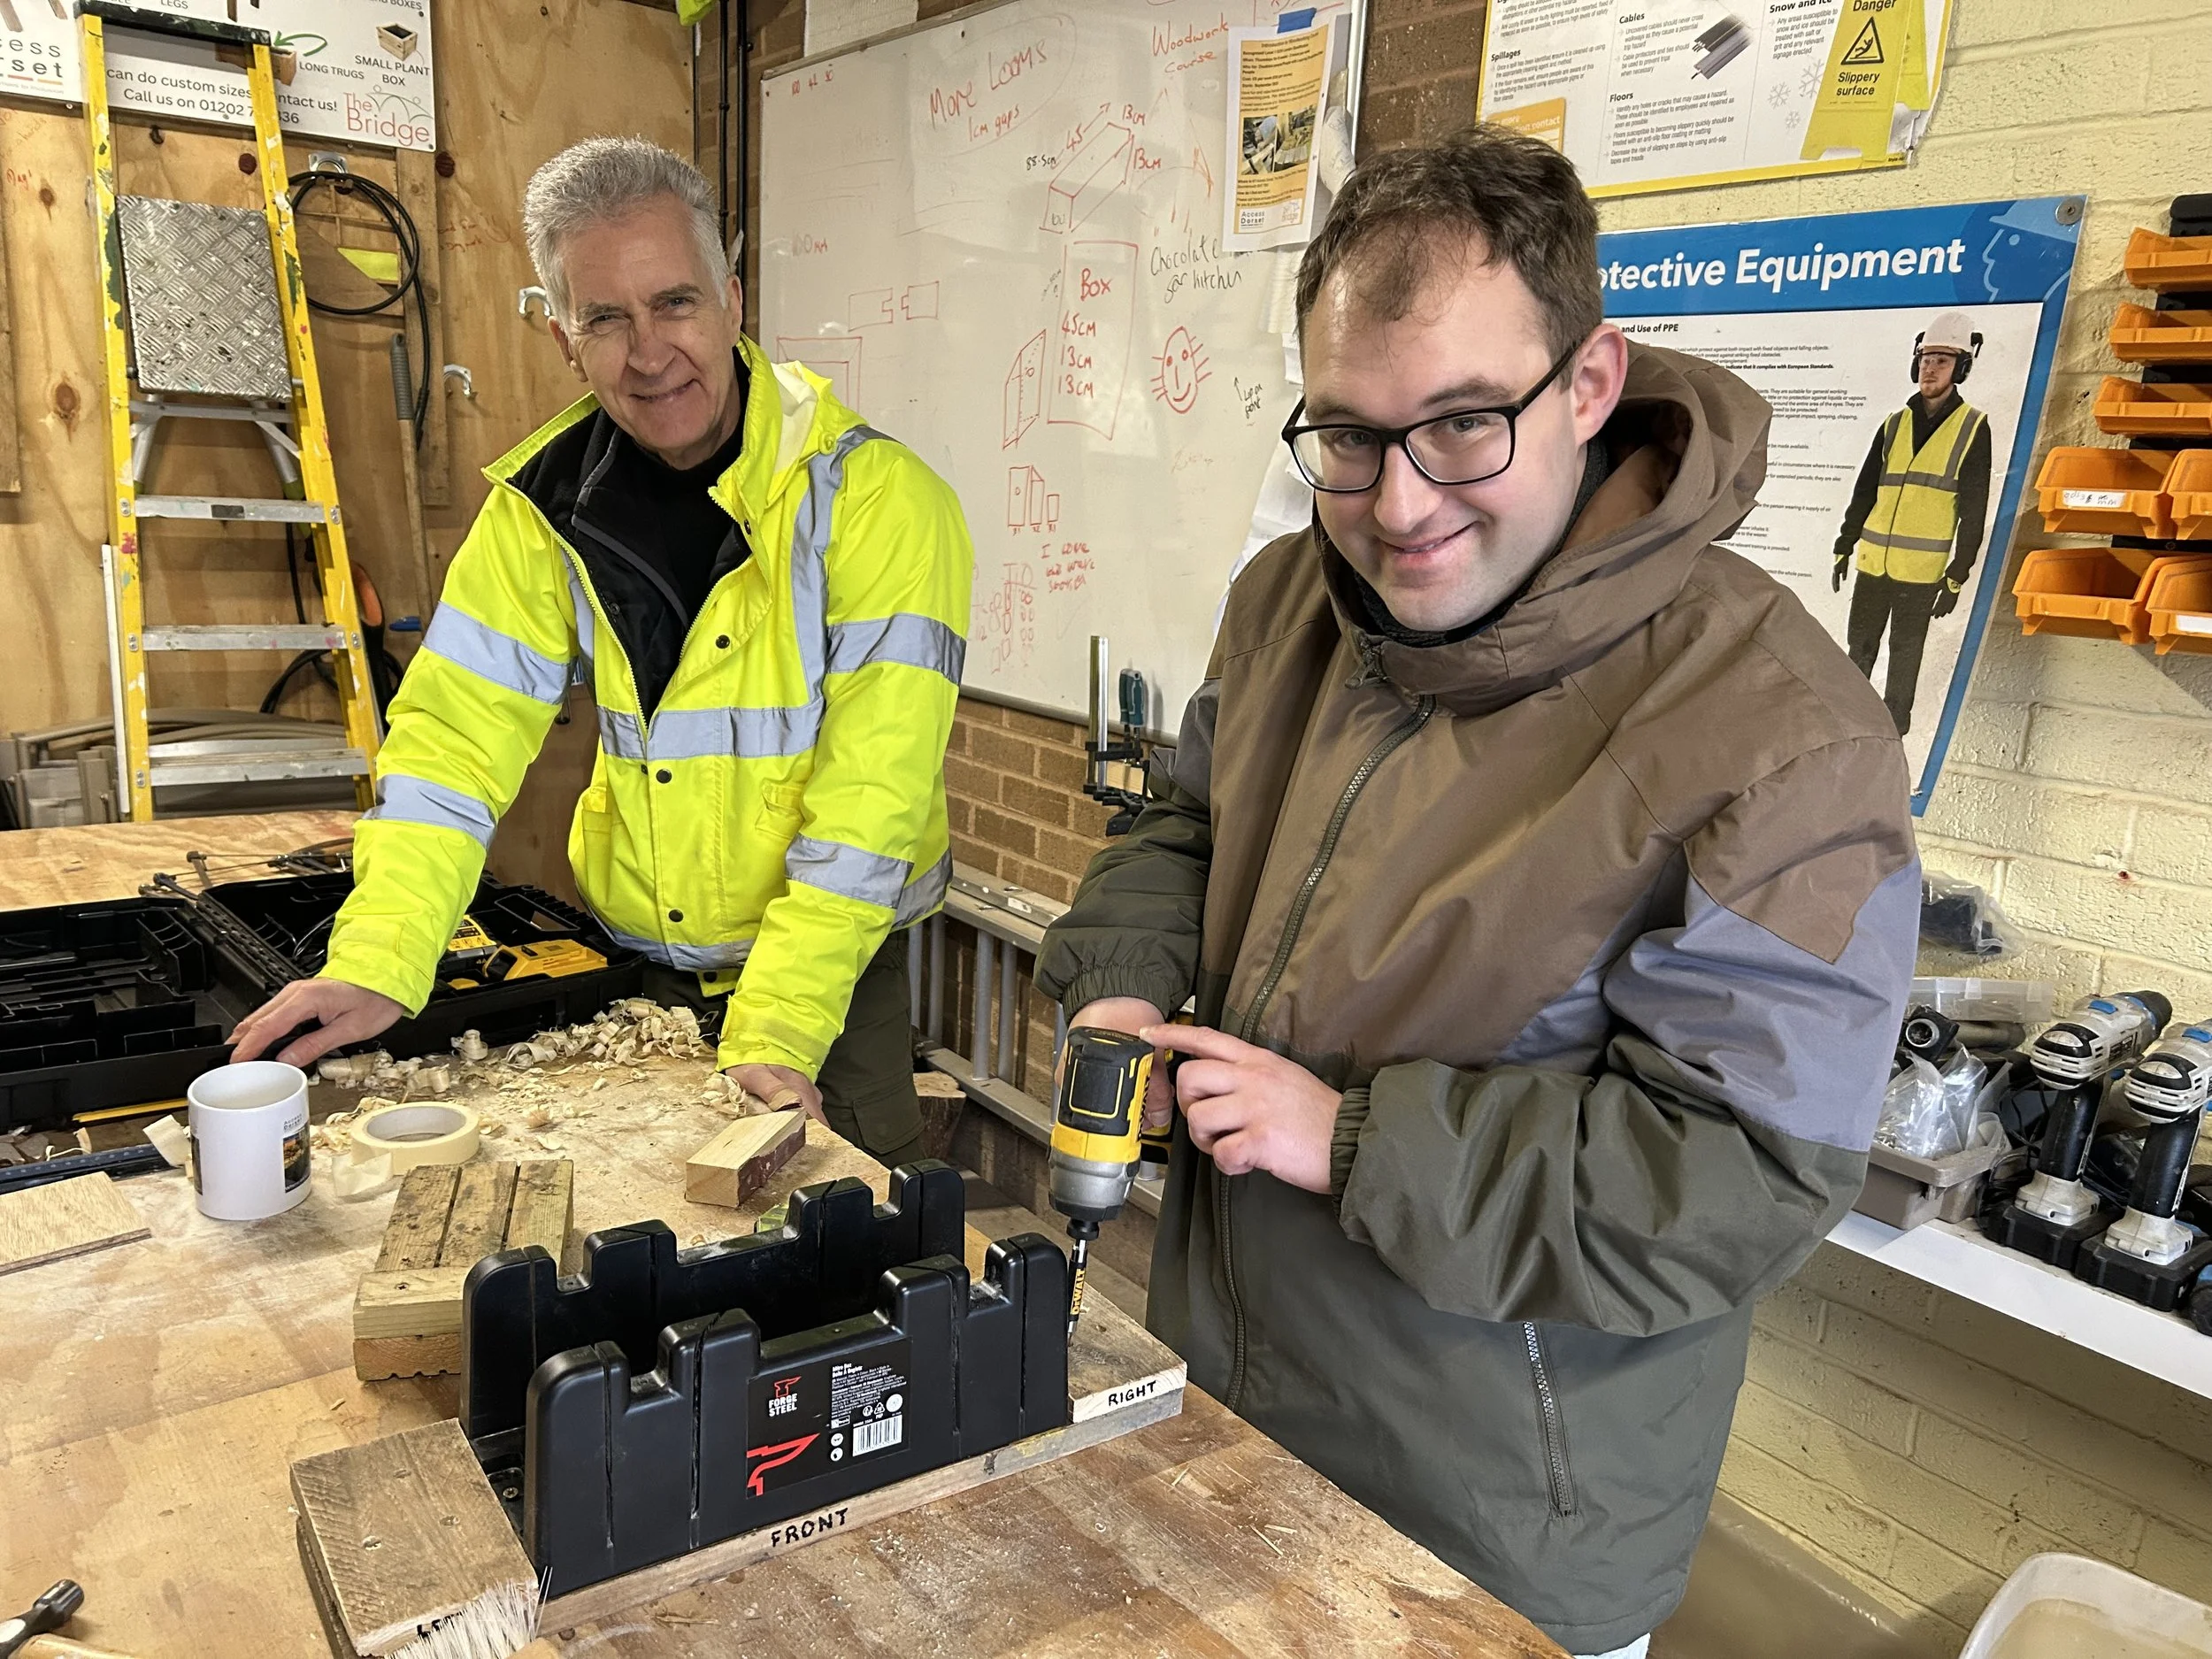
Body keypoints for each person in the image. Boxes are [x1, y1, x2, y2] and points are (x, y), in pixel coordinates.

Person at [1034, 125, 1919, 1659]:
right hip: (1230, 1404)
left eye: (1460, 426)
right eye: (1348, 437)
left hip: (1494, 1522)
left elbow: (1741, 1184)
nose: (1396, 505)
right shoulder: (1291, 601)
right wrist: (1124, 971)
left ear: (1589, 384)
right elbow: (1184, 827)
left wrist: (1350, 1140)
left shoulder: (1783, 738)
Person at [228, 138, 972, 1168]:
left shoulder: (880, 503)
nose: (650, 352)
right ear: (560, 336)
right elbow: (450, 748)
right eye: (605, 319)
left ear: (734, 300)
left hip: (829, 986)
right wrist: (381, 960)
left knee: (844, 1259)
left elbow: (869, 813)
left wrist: (778, 1030)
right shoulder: (540, 509)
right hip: (642, 970)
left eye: (675, 303)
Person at [1832, 310, 1993, 736]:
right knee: (1859, 648)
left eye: (1941, 359)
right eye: (1925, 357)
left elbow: (1974, 510)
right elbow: (1865, 491)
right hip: (1873, 565)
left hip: (1921, 574)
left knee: (1906, 652)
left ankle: (1893, 729)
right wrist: (1844, 544)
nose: (1929, 367)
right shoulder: (1893, 424)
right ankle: (1849, 722)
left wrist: (1958, 575)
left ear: (1961, 368)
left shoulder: (1973, 428)